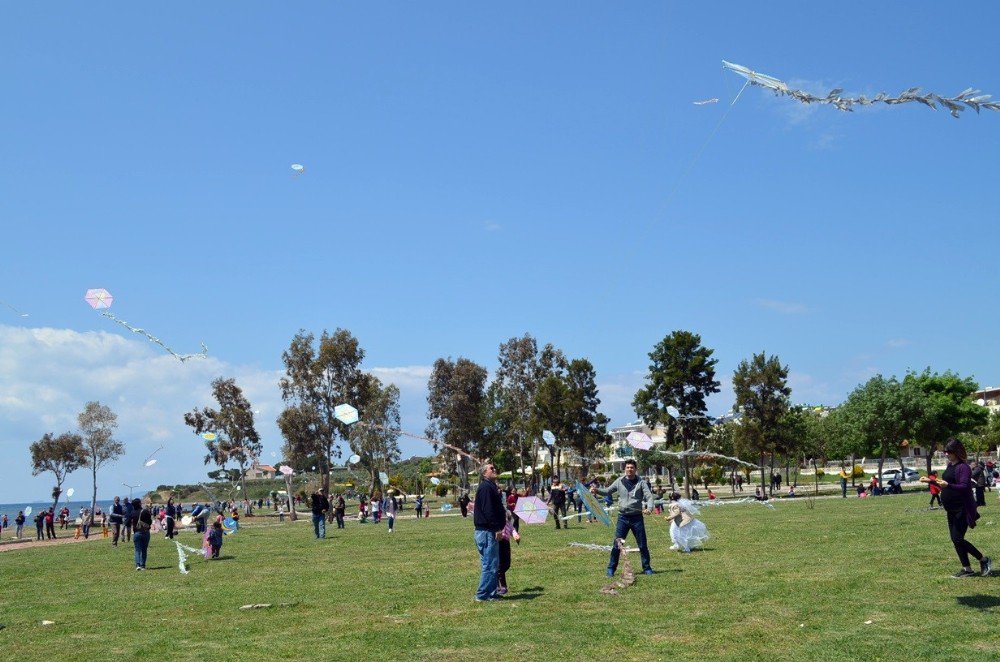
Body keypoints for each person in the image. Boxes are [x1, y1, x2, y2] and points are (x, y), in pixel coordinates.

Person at [920, 438, 991, 578]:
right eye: (945, 451)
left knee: (958, 538)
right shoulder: (950, 466)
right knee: (955, 539)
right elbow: (944, 483)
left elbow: (964, 487)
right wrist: (931, 481)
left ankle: (984, 559)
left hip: (962, 508)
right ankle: (967, 569)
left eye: (949, 451)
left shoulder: (963, 468)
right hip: (951, 508)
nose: (946, 454)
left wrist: (948, 486)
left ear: (957, 452)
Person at [591, 459, 655, 577]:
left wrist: (649, 508)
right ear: (624, 469)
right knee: (617, 545)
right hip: (623, 518)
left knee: (642, 544)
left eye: (632, 467)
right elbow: (607, 491)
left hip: (637, 518)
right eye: (627, 467)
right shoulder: (619, 481)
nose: (629, 469)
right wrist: (597, 490)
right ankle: (611, 568)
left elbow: (649, 497)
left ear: (635, 469)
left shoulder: (641, 482)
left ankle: (647, 568)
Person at [472, 462, 506, 602]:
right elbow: (488, 511)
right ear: (484, 473)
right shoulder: (486, 487)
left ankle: (492, 593)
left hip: (487, 531)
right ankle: (482, 594)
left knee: (492, 563)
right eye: (491, 468)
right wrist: (497, 528)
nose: (494, 469)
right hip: (487, 531)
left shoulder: (490, 487)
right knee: (489, 564)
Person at [132, 498, 152, 570]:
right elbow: (150, 522)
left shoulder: (133, 512)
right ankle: (143, 565)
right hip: (146, 532)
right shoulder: (145, 511)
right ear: (140, 504)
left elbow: (128, 521)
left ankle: (138, 565)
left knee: (137, 550)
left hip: (137, 533)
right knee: (144, 549)